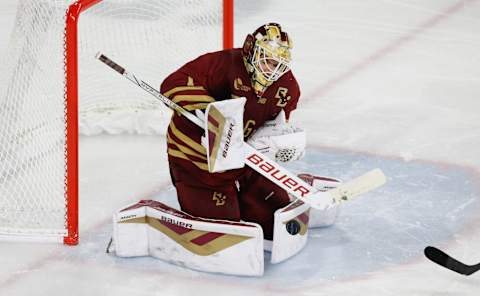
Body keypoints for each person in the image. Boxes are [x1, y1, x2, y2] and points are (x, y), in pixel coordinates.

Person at [160, 23, 302, 241]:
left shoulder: (288, 89)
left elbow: (274, 126)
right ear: (251, 50)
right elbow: (173, 82)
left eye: (279, 64)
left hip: (243, 162)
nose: (273, 70)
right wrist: (209, 112)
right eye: (268, 61)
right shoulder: (223, 64)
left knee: (274, 218)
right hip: (197, 161)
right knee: (223, 230)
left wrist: (276, 143)